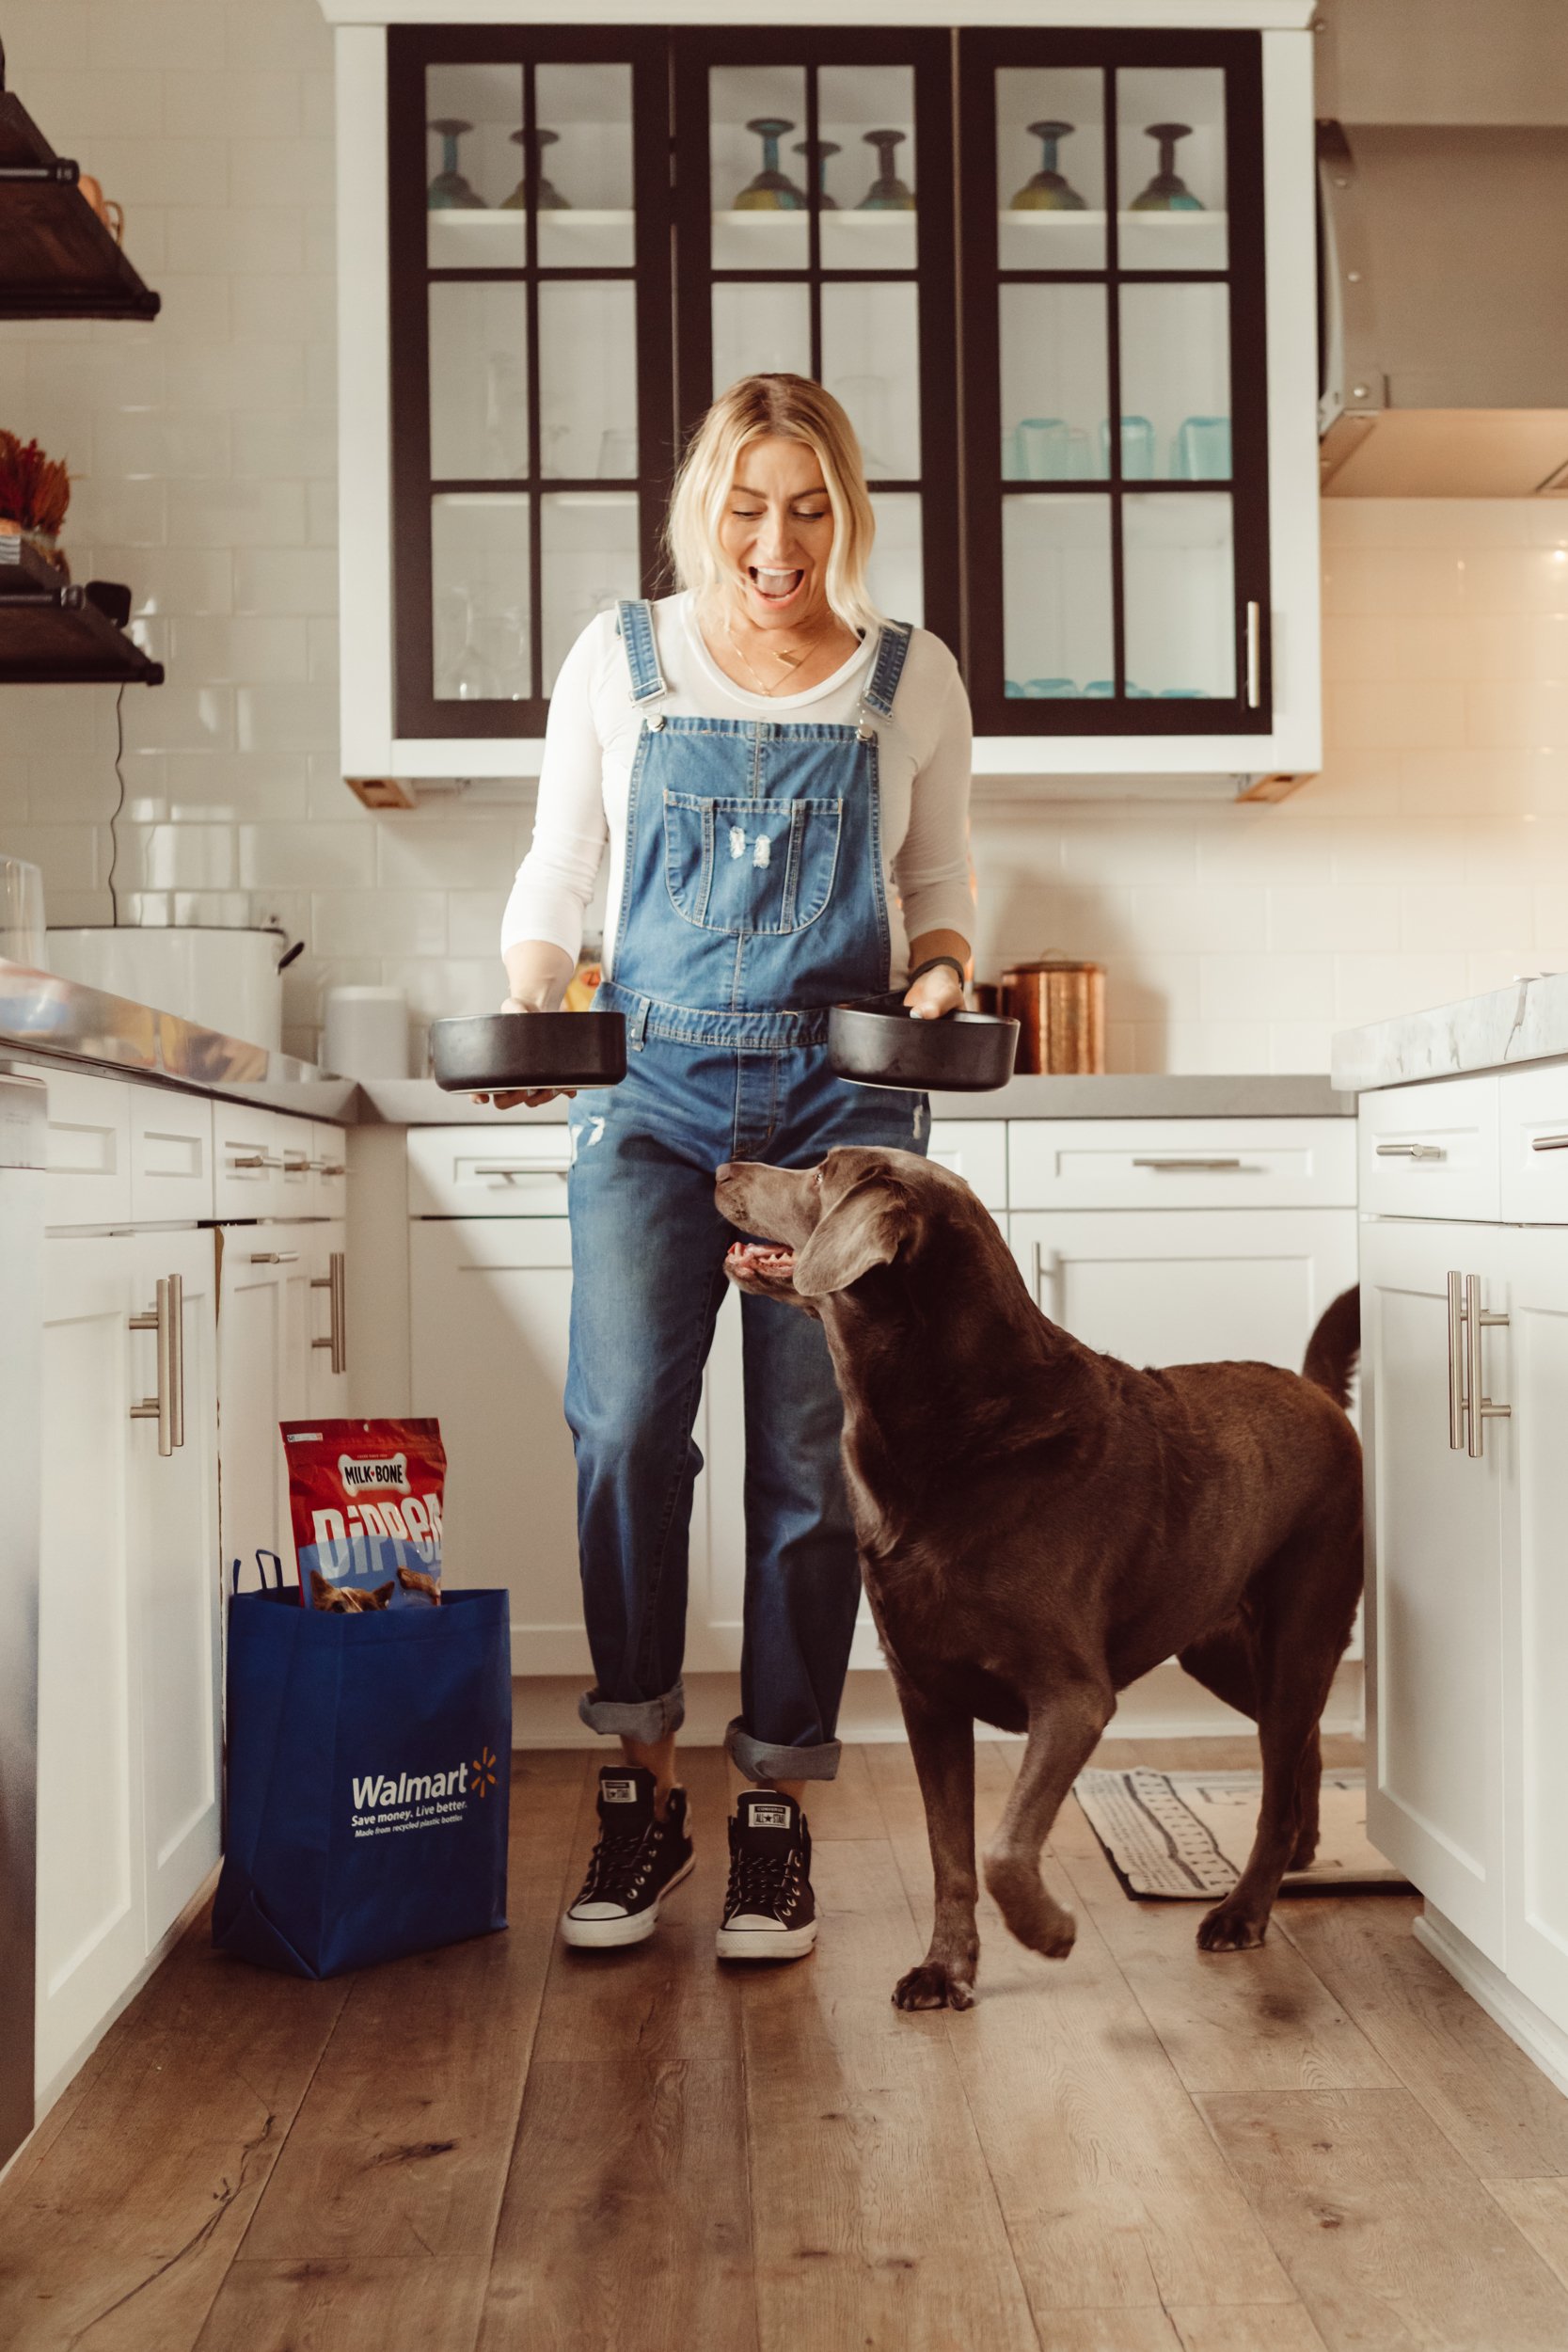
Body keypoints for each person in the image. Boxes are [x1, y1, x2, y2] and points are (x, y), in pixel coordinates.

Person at [491, 373, 974, 1964]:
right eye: (751, 504)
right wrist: (534, 990)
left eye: (813, 505)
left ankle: (775, 1808)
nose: (780, 540)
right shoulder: (619, 659)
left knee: (805, 1468)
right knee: (626, 1428)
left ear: (849, 512)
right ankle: (641, 1784)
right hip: (651, 1095)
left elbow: (938, 876)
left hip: (842, 1118)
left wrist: (945, 972)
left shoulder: (910, 679)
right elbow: (560, 866)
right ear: (706, 507)